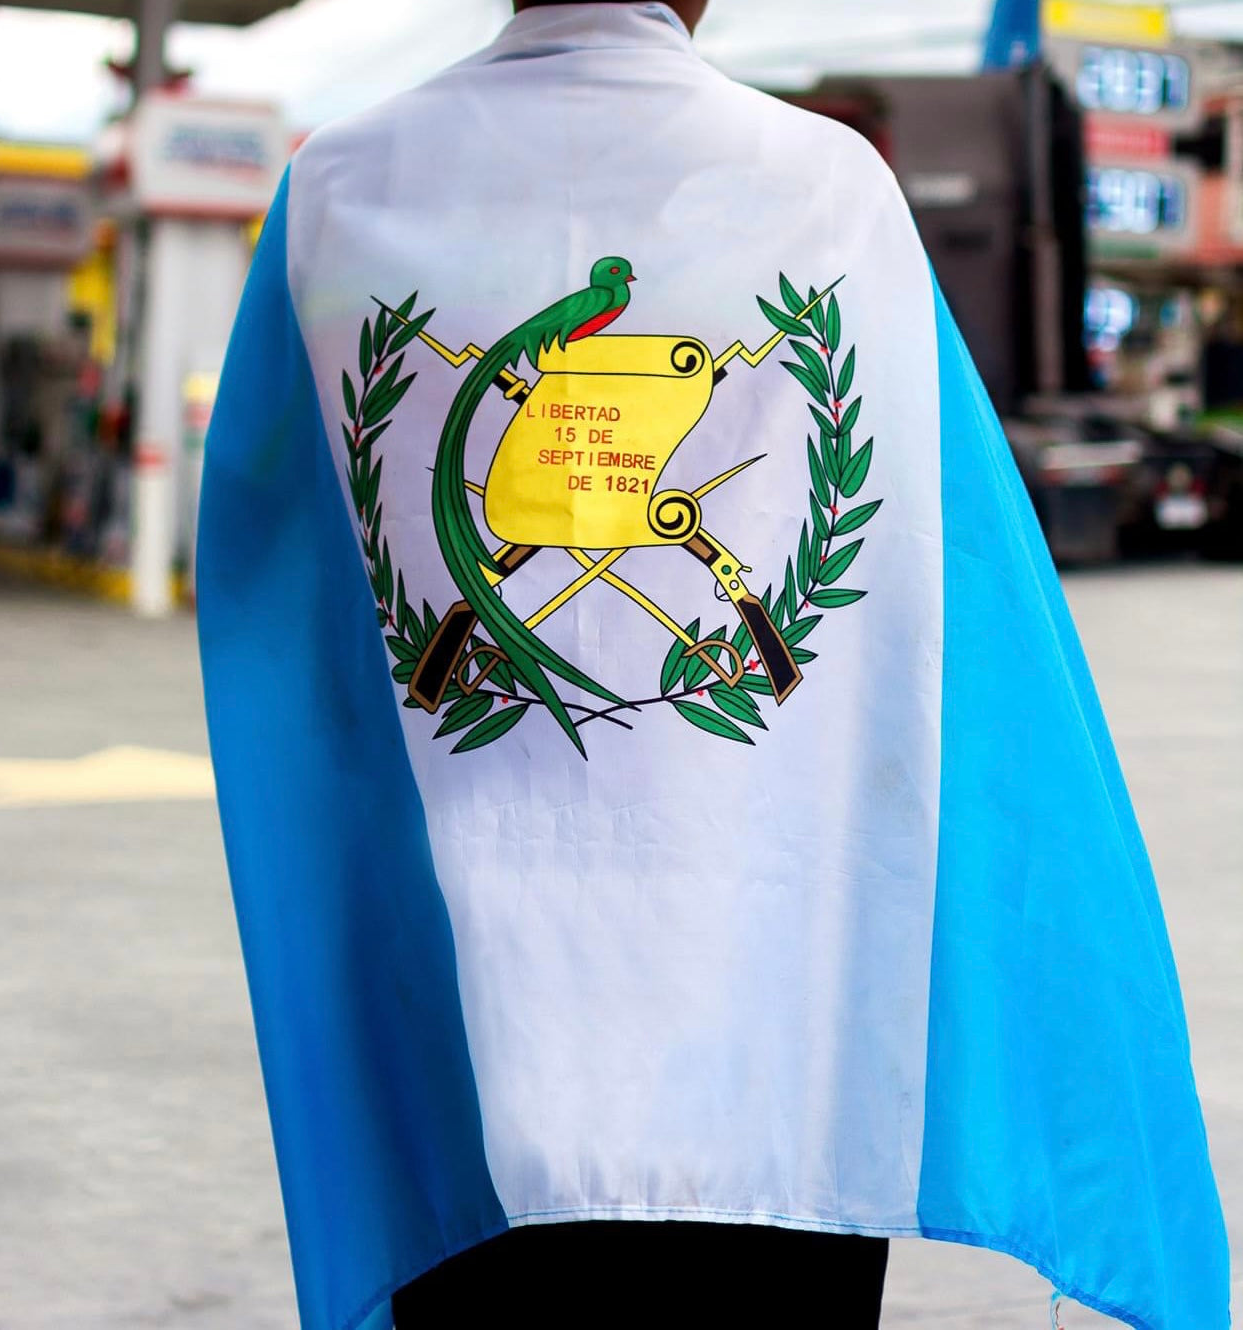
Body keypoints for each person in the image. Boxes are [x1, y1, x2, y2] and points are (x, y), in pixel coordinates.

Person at [196, 4, 1228, 1329]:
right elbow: (941, 606)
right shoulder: (829, 190)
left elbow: (296, 621)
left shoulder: (339, 189)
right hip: (777, 1025)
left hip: (469, 1027)